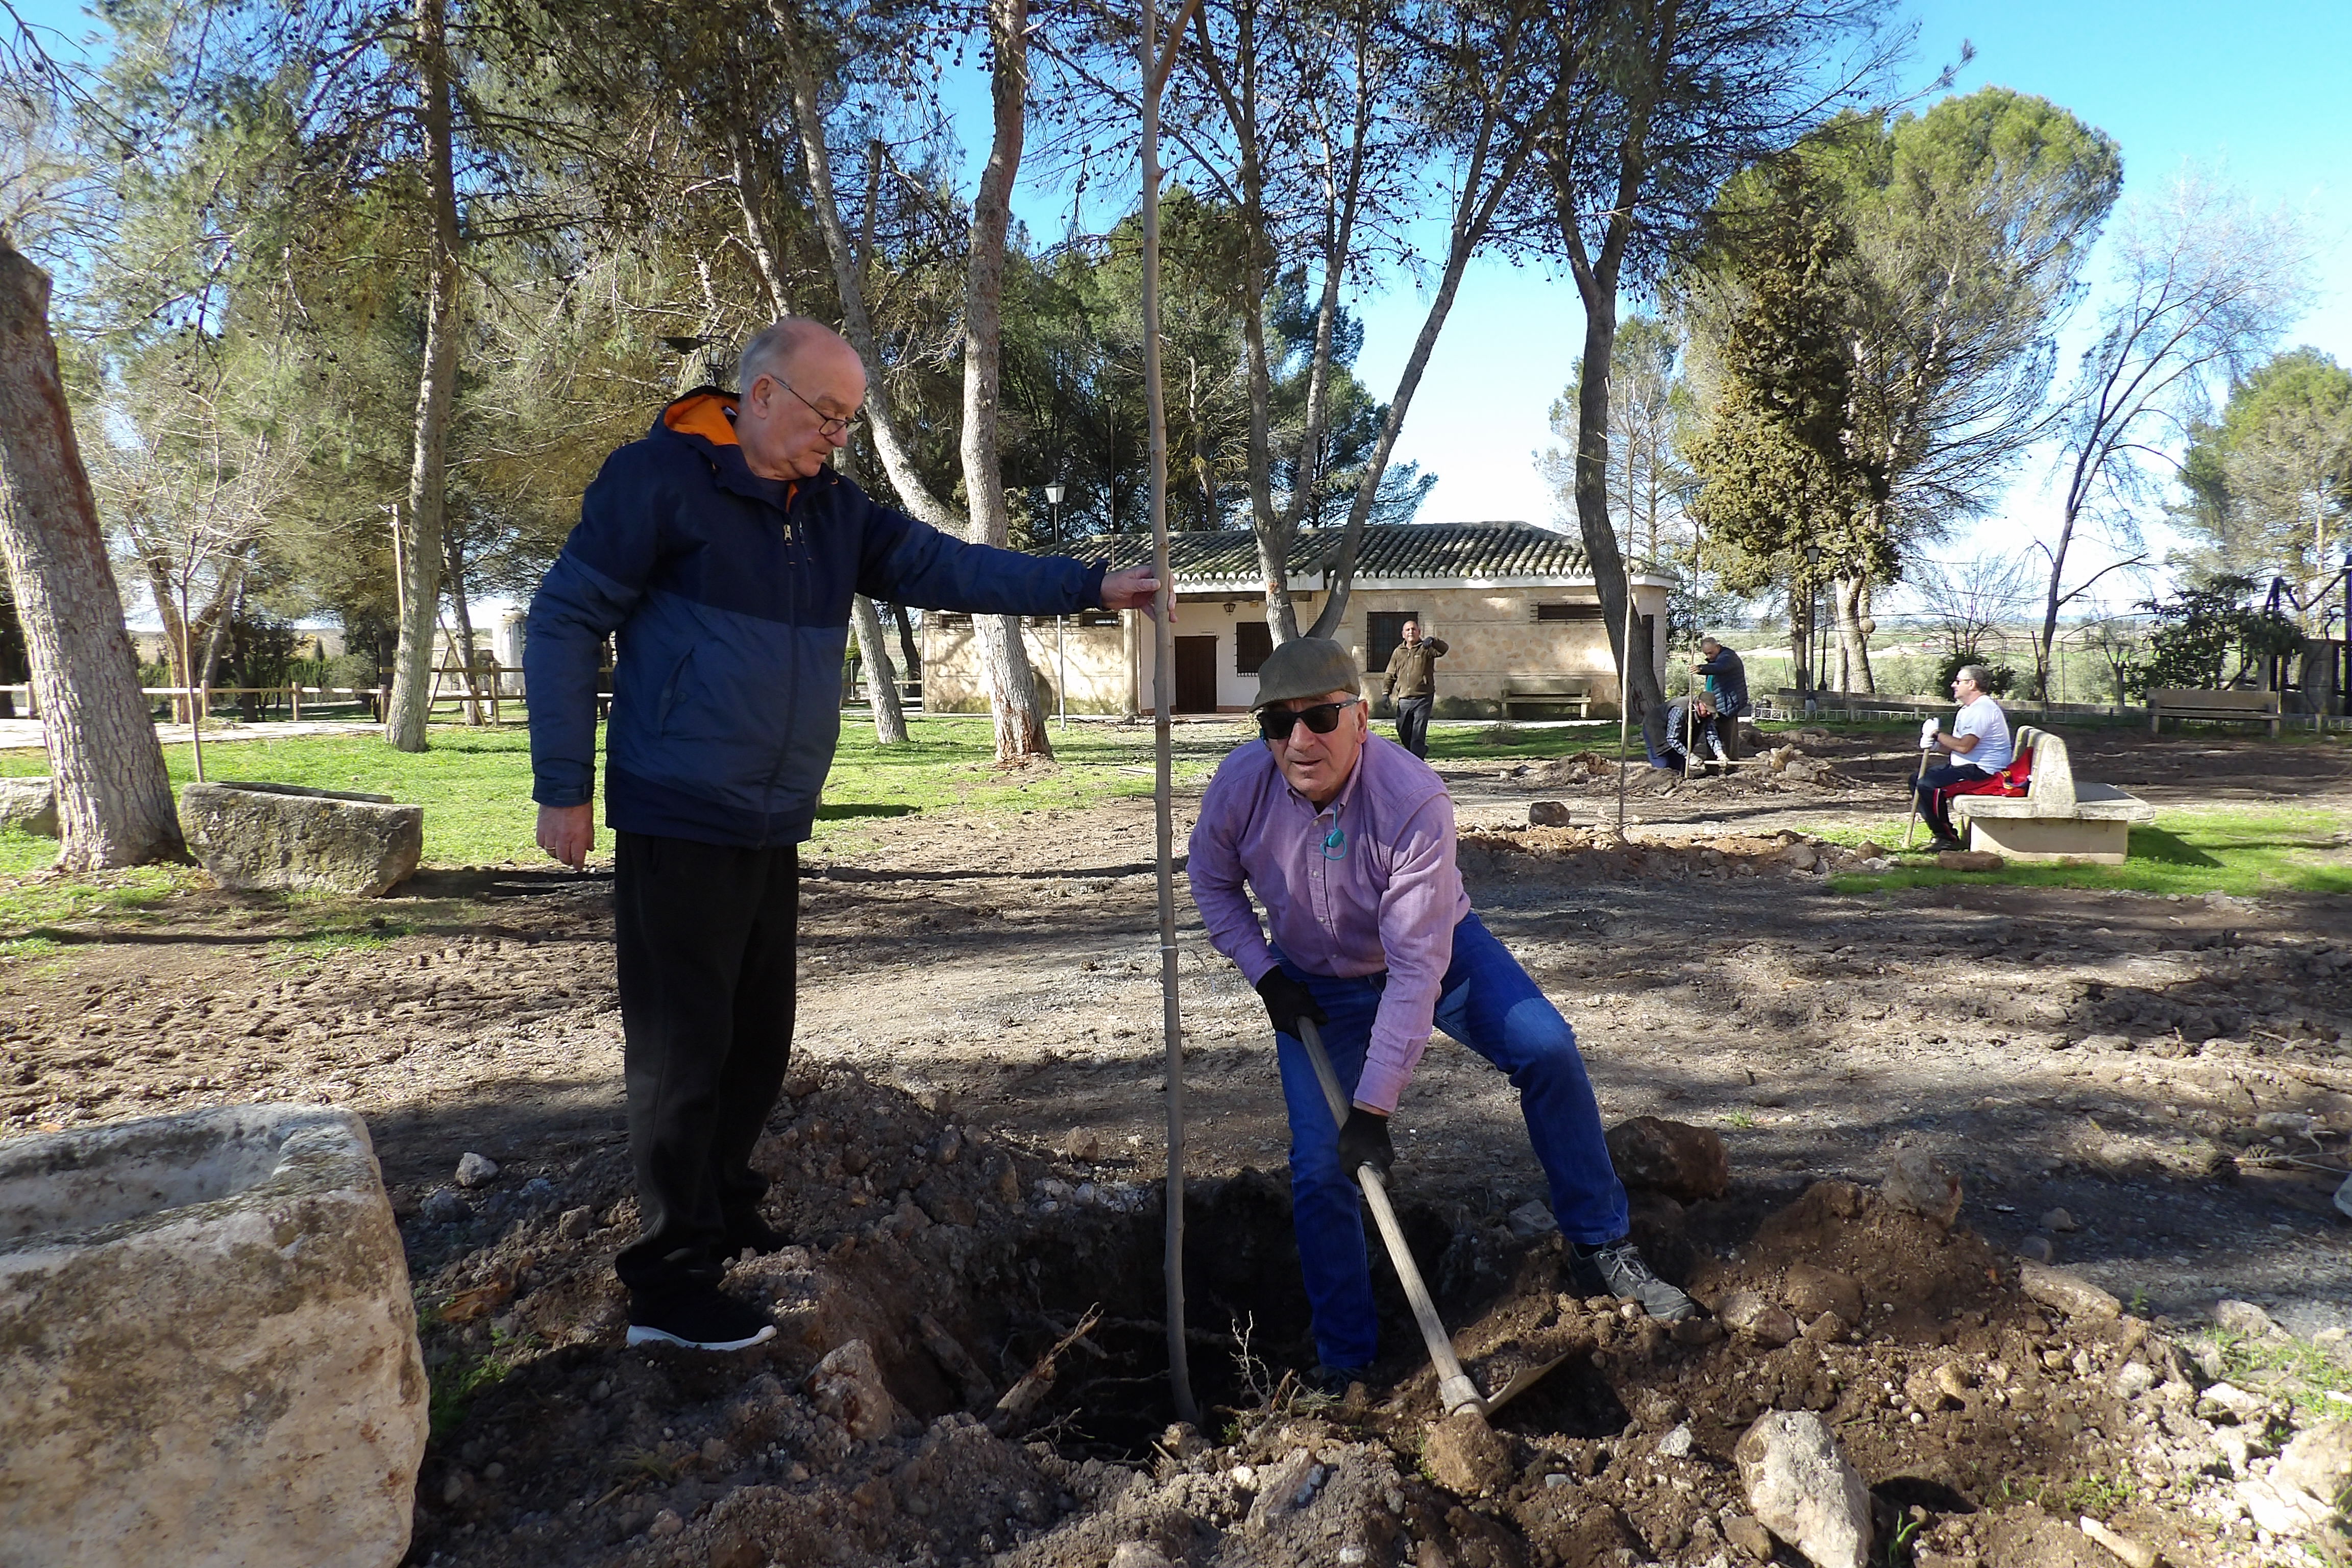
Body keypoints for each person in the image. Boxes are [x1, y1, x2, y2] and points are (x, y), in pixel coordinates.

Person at [526, 318, 1159, 1352]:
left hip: (771, 817)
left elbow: (953, 569)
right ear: (761, 396)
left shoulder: (833, 512)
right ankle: (669, 1289)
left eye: (848, 421)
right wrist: (563, 785)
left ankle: (725, 1212)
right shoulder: (657, 482)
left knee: (756, 1040)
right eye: (827, 414)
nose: (837, 436)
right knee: (682, 1053)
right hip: (676, 809)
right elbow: (561, 619)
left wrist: (1086, 586)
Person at [1188, 637, 1696, 1391]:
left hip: (1436, 952)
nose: (1299, 741)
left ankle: (1600, 1246)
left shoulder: (1412, 798)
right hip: (1313, 984)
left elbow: (1416, 968)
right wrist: (1266, 976)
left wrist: (1373, 1109)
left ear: (1360, 717)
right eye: (1277, 723)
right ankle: (1346, 1361)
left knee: (1548, 1050)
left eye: (1320, 717)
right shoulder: (1241, 786)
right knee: (1321, 1168)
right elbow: (1210, 881)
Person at [1915, 664, 2014, 851]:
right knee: (1917, 780)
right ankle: (1940, 834)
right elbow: (1956, 747)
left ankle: (1947, 838)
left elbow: (1964, 746)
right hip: (1966, 766)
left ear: (1972, 684)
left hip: (1984, 772)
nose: (1953, 685)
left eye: (1958, 681)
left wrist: (1936, 734)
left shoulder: (1982, 709)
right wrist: (1935, 746)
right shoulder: (1967, 710)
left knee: (1929, 785)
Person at [1380, 620, 1448, 758]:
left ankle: (1417, 762)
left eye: (1414, 629)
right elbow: (1390, 674)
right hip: (1404, 699)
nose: (1411, 632)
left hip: (1423, 698)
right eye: (1408, 630)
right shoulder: (1398, 652)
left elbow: (1443, 649)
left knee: (1418, 733)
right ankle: (1418, 752)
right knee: (1403, 731)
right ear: (1403, 634)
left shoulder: (1426, 649)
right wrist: (1386, 693)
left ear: (1419, 632)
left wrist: (1433, 641)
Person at [1694, 636, 1749, 761]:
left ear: (1718, 647)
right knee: (1712, 735)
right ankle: (1711, 767)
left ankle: (1731, 766)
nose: (1709, 657)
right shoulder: (1715, 660)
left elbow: (1720, 667)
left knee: (1729, 738)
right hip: (1714, 703)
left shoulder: (1728, 657)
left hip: (1727, 704)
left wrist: (1701, 669)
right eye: (1706, 654)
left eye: (1711, 653)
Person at [1657, 691, 1724, 774]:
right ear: (1699, 703)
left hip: (1678, 734)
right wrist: (1689, 756)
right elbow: (1672, 738)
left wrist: (1720, 754)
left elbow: (1712, 736)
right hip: (1657, 729)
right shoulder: (1680, 709)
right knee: (1663, 767)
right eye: (1707, 709)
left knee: (1678, 767)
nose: (1709, 713)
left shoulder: (1708, 715)